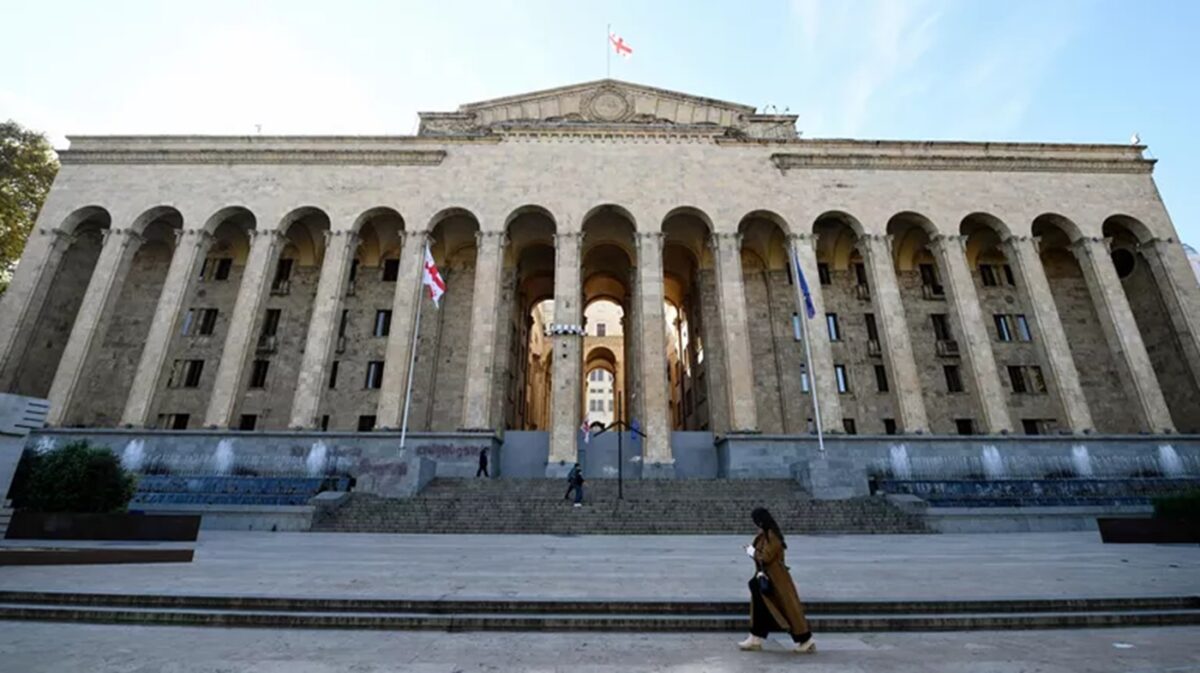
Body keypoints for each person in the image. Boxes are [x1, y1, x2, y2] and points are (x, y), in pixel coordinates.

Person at [737, 507, 815, 654]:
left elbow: (766, 557)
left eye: (756, 521)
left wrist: (752, 552)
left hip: (777, 580)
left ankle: (806, 640)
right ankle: (755, 637)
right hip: (766, 577)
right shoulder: (765, 534)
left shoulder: (772, 535)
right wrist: (752, 551)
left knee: (788, 610)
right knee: (761, 607)